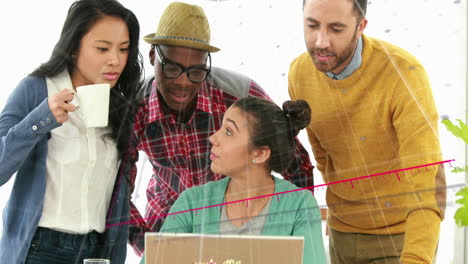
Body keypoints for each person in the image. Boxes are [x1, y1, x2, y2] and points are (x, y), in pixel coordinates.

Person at [128, 1, 315, 255]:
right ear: (153, 56)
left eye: (196, 71)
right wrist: (150, 245)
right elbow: (116, 190)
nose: (183, 82)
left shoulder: (239, 96)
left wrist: (288, 235)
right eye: (172, 68)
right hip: (169, 228)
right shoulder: (133, 108)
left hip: (237, 233)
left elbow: (297, 164)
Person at [288, 0, 446, 263]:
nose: (321, 42)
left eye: (336, 29)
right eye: (312, 25)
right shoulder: (299, 73)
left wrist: (417, 258)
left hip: (400, 235)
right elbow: (324, 155)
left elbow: (426, 180)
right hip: (342, 232)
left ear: (360, 26)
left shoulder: (404, 74)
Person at [0, 0, 143, 263]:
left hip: (97, 251)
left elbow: (118, 199)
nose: (115, 61)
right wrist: (41, 119)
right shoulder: (35, 90)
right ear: (74, 47)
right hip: (39, 249)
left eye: (123, 49)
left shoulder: (121, 107)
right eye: (102, 48)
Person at [140, 97, 327, 264]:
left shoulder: (299, 205)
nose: (213, 138)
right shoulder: (191, 202)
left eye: (228, 132)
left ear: (260, 153)